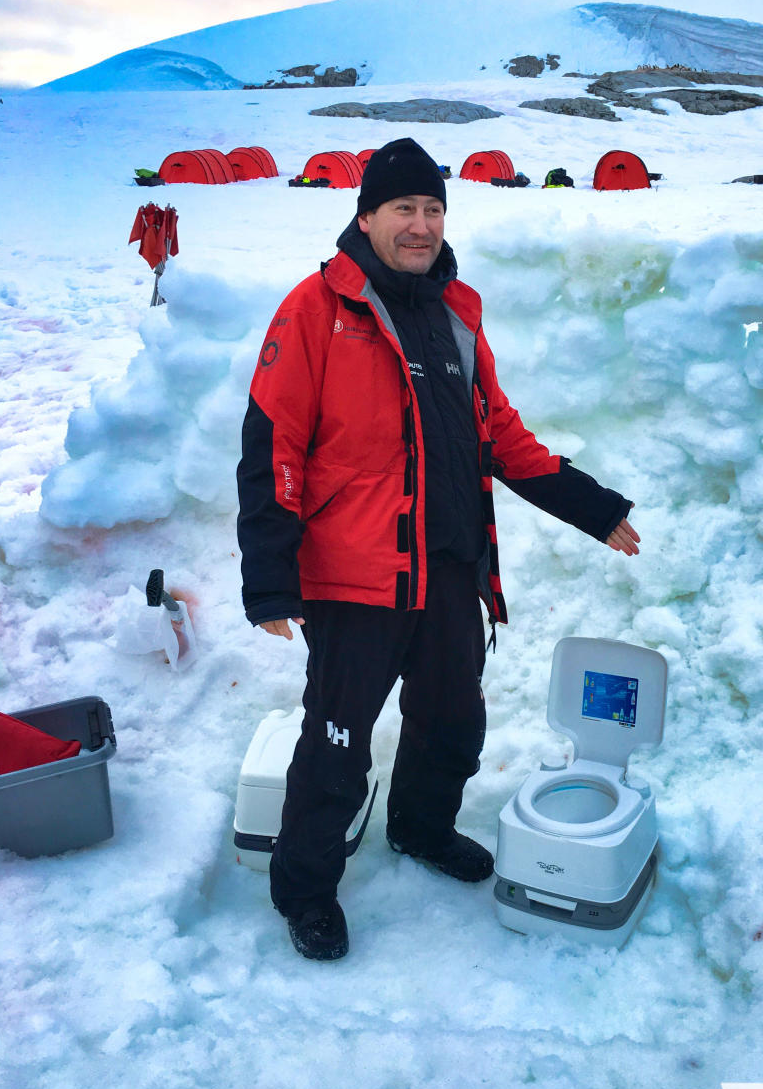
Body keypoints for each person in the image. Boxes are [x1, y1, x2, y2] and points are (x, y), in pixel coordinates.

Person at [236, 138, 640, 961]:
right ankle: (305, 889)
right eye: (402, 210)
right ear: (366, 217)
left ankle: (422, 828)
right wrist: (269, 578)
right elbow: (274, 445)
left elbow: (500, 433)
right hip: (356, 574)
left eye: (432, 210)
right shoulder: (316, 310)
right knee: (337, 742)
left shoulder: (458, 311)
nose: (420, 226)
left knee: (452, 721)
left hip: (452, 562)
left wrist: (591, 506)